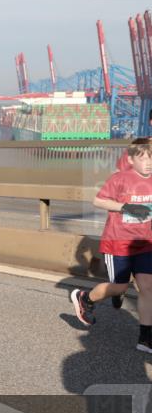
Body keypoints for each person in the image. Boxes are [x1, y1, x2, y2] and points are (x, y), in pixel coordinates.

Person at [70, 137, 152, 352]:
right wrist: (126, 207)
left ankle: (145, 338)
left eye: (151, 158)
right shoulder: (120, 178)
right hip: (119, 242)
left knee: (147, 287)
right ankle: (85, 298)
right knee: (121, 287)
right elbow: (98, 201)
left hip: (145, 242)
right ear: (131, 160)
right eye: (143, 158)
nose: (148, 163)